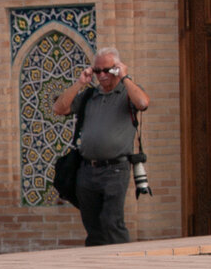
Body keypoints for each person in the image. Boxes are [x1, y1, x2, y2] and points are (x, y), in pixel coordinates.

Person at [51, 47, 152, 246]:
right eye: (98, 71)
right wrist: (80, 83)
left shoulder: (127, 92)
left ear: (117, 69)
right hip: (87, 170)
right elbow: (59, 108)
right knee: (93, 226)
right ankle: (98, 268)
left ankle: (124, 265)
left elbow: (142, 103)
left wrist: (125, 77)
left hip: (115, 169)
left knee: (111, 221)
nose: (102, 76)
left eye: (108, 70)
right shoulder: (90, 96)